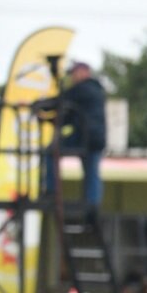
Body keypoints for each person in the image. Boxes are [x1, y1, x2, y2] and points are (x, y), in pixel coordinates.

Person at [37, 60, 107, 219]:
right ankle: (92, 204)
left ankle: (51, 190)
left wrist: (38, 105)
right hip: (96, 138)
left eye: (74, 73)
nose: (72, 78)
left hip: (85, 136)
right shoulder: (95, 90)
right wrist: (51, 120)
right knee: (92, 172)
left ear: (83, 72)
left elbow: (60, 101)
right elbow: (69, 116)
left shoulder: (83, 89)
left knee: (51, 152)